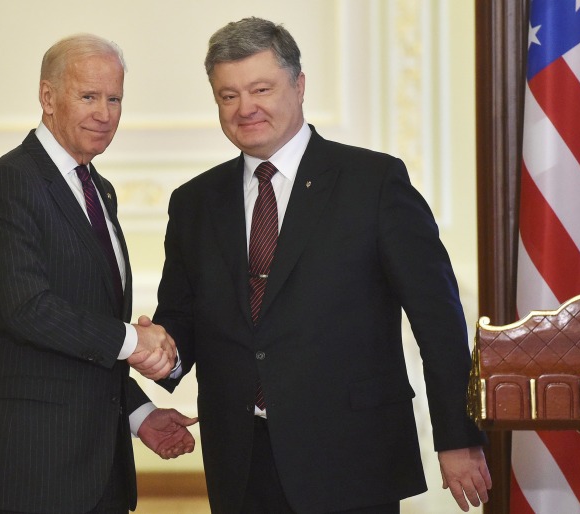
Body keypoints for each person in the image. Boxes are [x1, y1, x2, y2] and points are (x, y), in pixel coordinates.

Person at [153, 17, 491, 514]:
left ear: (299, 85)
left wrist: (457, 437)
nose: (245, 108)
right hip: (242, 463)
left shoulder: (373, 183)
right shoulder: (194, 202)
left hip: (352, 458)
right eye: (228, 96)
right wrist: (158, 350)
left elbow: (437, 319)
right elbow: (181, 321)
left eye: (261, 88)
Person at [0, 34, 196, 514]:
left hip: (99, 463)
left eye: (115, 99)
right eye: (88, 96)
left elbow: (84, 332)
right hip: (37, 469)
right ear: (47, 98)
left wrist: (140, 414)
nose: (105, 113)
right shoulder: (13, 182)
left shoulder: (98, 188)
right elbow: (27, 311)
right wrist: (135, 342)